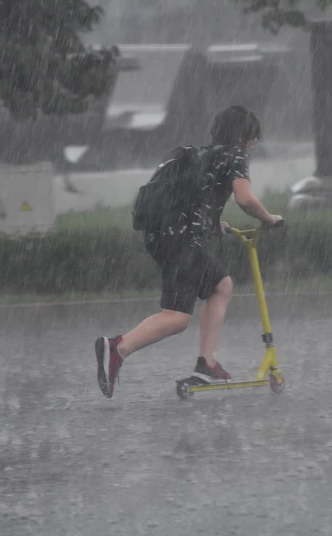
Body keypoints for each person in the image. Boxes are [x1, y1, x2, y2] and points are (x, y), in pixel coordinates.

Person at [95, 105, 283, 399]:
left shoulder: (201, 154)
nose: (253, 146)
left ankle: (207, 363)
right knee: (177, 317)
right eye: (253, 139)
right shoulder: (234, 155)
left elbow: (191, 200)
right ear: (246, 137)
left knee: (221, 285)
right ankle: (117, 348)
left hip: (162, 236)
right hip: (182, 242)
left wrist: (212, 223)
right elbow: (245, 198)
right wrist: (268, 219)